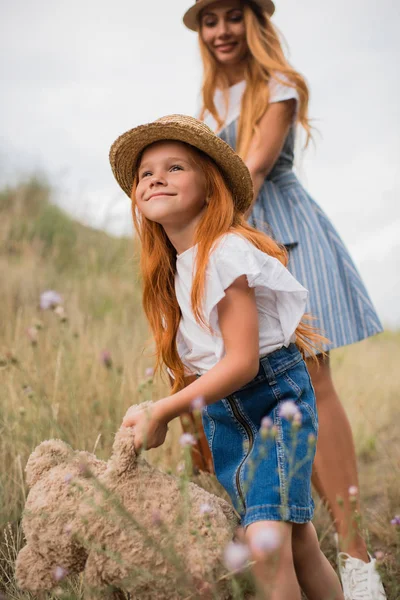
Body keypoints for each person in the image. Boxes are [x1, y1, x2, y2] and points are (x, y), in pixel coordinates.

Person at [182, 2, 385, 598]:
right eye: (209, 20)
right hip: (230, 243)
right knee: (254, 389)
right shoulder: (208, 104)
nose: (220, 30)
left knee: (314, 382)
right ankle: (298, 551)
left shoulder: (278, 86)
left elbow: (253, 169)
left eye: (230, 16)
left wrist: (203, 233)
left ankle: (359, 561)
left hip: (284, 238)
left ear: (255, 21)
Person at [109, 114, 344, 600]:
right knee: (296, 542)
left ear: (211, 189)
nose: (155, 177)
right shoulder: (178, 268)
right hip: (229, 417)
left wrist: (163, 410)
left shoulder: (225, 253)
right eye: (145, 173)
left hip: (276, 404)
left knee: (265, 543)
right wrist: (176, 417)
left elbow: (242, 364)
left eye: (174, 167)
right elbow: (208, 365)